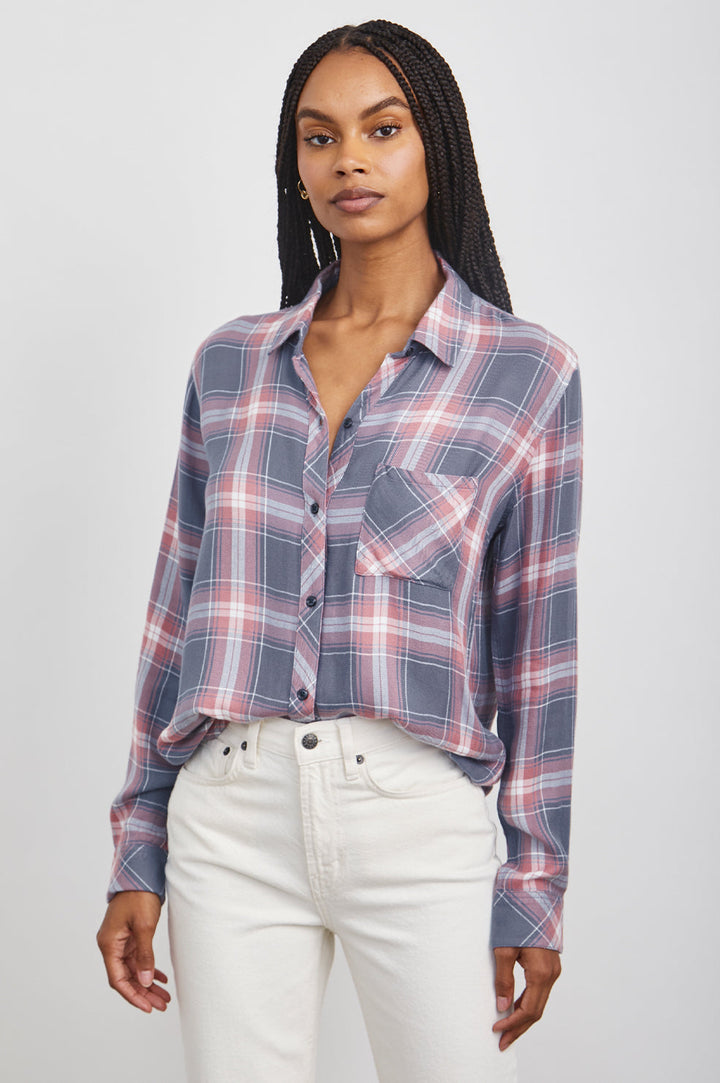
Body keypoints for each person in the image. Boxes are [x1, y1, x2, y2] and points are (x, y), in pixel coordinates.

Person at [97, 19, 583, 1083]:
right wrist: (140, 844)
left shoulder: (526, 373)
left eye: (383, 128)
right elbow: (175, 618)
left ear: (436, 144)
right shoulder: (231, 365)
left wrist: (533, 886)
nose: (349, 160)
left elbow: (538, 655)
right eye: (319, 138)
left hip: (416, 816)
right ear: (297, 166)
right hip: (229, 815)